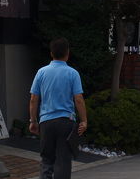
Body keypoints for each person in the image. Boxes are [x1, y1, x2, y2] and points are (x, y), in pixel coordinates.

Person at [29, 38, 87, 179]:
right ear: (67, 53)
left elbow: (33, 99)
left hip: (46, 122)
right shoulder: (73, 73)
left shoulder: (41, 72)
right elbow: (78, 99)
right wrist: (84, 121)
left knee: (46, 160)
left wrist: (33, 120)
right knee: (63, 161)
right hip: (66, 123)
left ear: (51, 53)